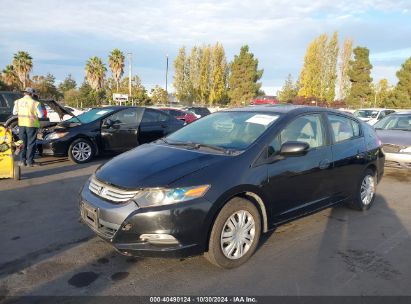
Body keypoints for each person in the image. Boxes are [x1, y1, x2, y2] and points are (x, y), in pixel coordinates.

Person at [12, 87, 44, 167]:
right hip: (32, 125)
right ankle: (30, 162)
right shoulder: (35, 103)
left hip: (21, 124)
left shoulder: (18, 102)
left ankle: (22, 161)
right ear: (32, 94)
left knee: (22, 143)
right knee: (31, 143)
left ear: (24, 93)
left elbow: (14, 113)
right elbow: (41, 115)